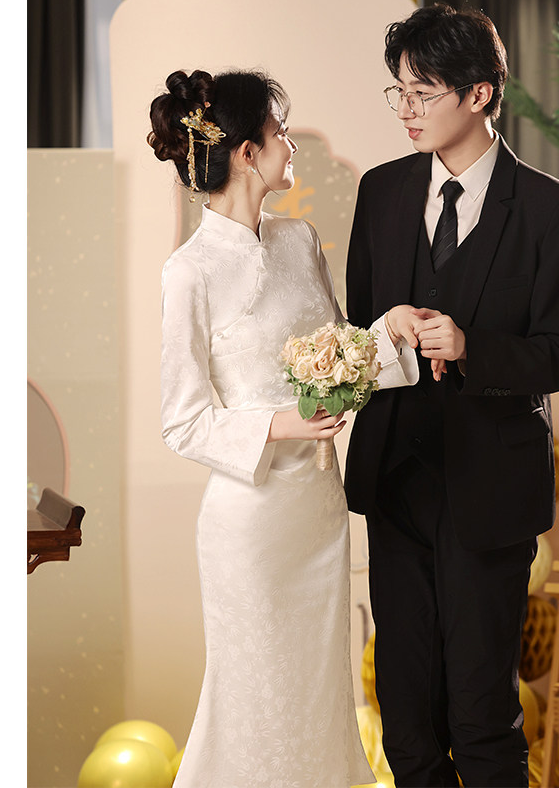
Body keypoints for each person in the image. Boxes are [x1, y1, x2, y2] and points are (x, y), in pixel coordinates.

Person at [148, 68, 420, 788]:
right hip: (251, 525)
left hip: (318, 513)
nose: (290, 145)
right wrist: (281, 424)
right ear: (247, 153)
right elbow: (182, 421)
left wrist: (390, 336)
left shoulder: (300, 240)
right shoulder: (189, 272)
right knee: (256, 699)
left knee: (319, 698)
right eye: (280, 132)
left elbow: (339, 360)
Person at [344, 4, 559, 788]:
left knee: (482, 713)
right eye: (400, 91)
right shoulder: (381, 193)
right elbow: (355, 328)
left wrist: (470, 346)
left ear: (480, 94)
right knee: (406, 713)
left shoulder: (554, 210)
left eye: (423, 92)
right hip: (397, 485)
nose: (406, 109)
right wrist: (385, 325)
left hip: (491, 491)